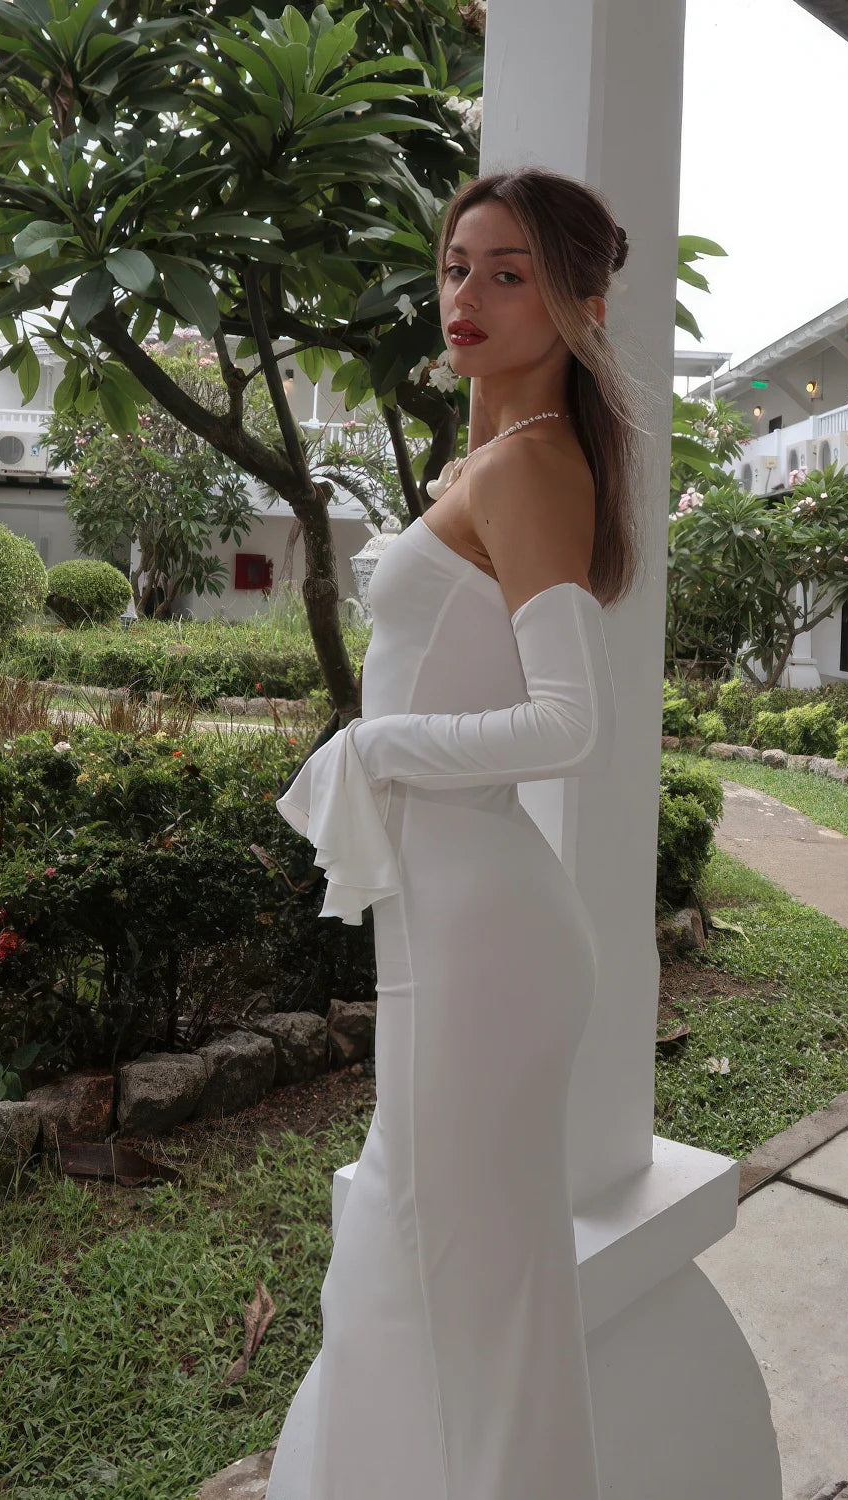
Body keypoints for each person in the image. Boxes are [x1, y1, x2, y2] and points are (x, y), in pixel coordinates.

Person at [267, 165, 643, 1500]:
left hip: (477, 924)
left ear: (582, 301)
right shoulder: (496, 458)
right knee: (458, 1265)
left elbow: (566, 723)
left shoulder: (534, 465)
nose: (467, 296)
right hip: (467, 910)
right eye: (456, 265)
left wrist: (378, 748)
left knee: (442, 1260)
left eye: (510, 272)